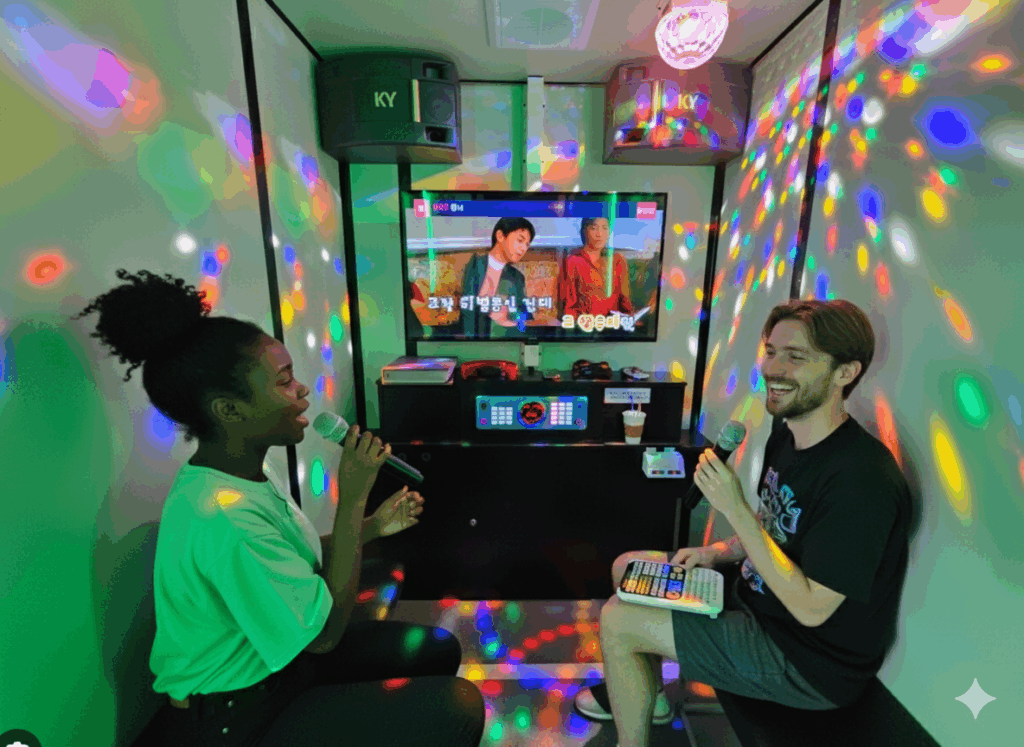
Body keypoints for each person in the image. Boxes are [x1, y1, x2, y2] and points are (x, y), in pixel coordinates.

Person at [74, 270, 483, 747]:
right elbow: (325, 636)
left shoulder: (240, 473)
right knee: (458, 706)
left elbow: (292, 561)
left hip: (282, 659)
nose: (303, 391)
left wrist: (372, 525)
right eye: (285, 381)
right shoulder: (223, 514)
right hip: (235, 711)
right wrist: (353, 496)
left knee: (437, 649)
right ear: (229, 410)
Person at [571, 299, 911, 741]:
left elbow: (811, 609)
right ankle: (649, 697)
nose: (773, 369)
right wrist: (717, 552)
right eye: (771, 352)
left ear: (845, 372)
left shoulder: (861, 480)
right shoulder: (787, 434)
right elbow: (773, 527)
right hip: (752, 597)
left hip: (804, 658)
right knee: (628, 567)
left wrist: (733, 508)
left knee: (620, 619)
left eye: (796, 357)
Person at [460, 217, 535, 336]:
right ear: (500, 236)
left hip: (506, 338)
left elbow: (524, 315)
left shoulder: (517, 276)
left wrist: (514, 316)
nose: (523, 249)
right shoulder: (474, 264)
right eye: (520, 240)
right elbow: (467, 311)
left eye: (527, 245)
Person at [558, 217, 634, 322]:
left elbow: (625, 302)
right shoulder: (572, 261)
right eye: (594, 228)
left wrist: (631, 322)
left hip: (614, 326)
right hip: (585, 326)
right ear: (584, 231)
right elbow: (569, 307)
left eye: (605, 228)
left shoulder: (618, 260)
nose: (599, 234)